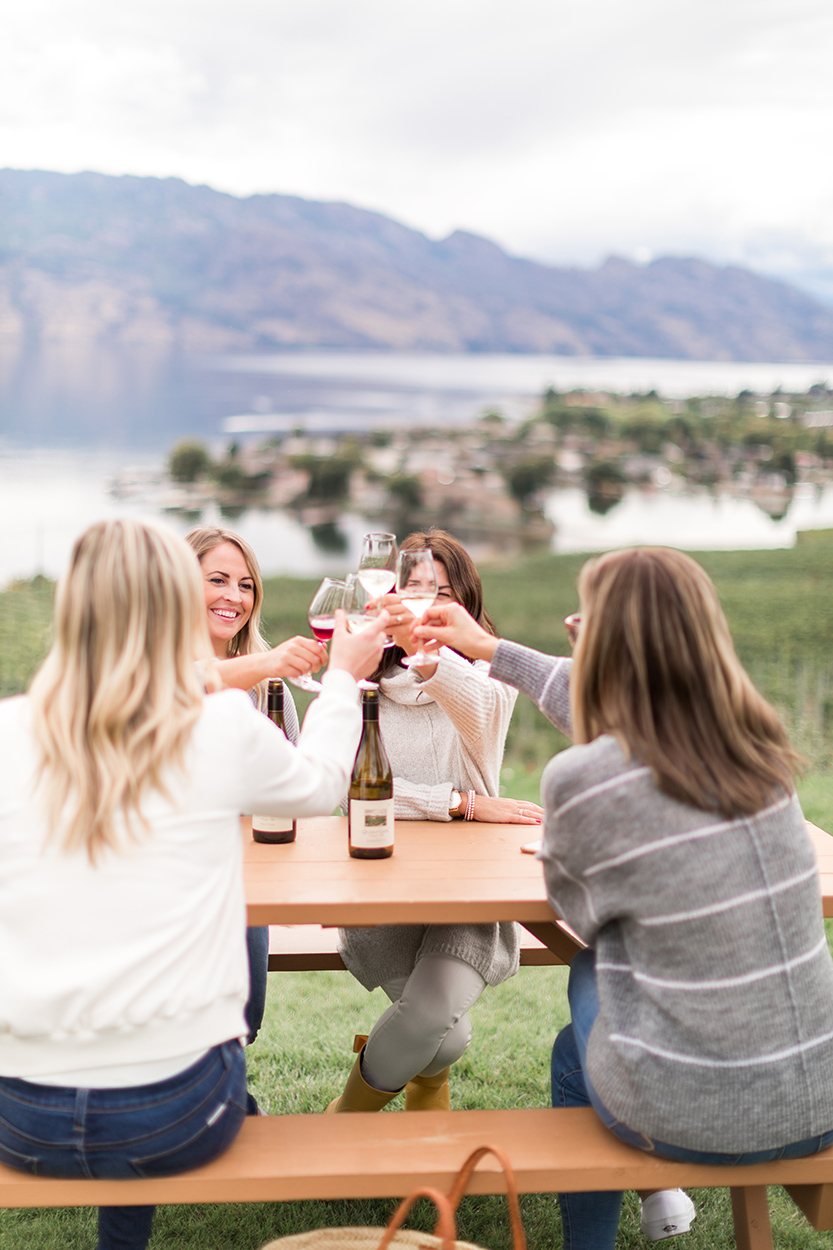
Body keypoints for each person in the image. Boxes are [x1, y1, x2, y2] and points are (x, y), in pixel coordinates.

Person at [416, 547, 833, 1249]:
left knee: (579, 1027)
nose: (573, 631)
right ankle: (657, 1200)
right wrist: (489, 650)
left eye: (585, 622)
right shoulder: (760, 756)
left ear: (604, 641)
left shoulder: (582, 777)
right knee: (611, 981)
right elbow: (623, 707)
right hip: (817, 1094)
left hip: (703, 1118)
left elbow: (580, 916)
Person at [0, 518, 387, 1250]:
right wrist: (341, 678)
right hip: (176, 1114)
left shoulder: (8, 732)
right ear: (171, 604)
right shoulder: (215, 728)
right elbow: (321, 785)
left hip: (20, 1118)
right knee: (171, 1060)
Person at [329, 529, 543, 1116]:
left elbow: (473, 705)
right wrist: (459, 803)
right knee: (443, 1038)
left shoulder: (488, 678)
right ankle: (427, 1084)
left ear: (466, 604)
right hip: (384, 885)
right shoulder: (361, 681)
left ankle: (339, 1127)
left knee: (432, 1021)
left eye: (442, 592)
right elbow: (355, 799)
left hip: (467, 892)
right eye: (413, 589)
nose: (426, 603)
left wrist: (428, 655)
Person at [186, 525, 326, 1063]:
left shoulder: (270, 689)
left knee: (242, 1023)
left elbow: (295, 789)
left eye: (245, 586)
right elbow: (185, 682)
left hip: (250, 883)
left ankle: (225, 1096)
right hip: (186, 882)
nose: (234, 597)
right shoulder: (149, 671)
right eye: (217, 580)